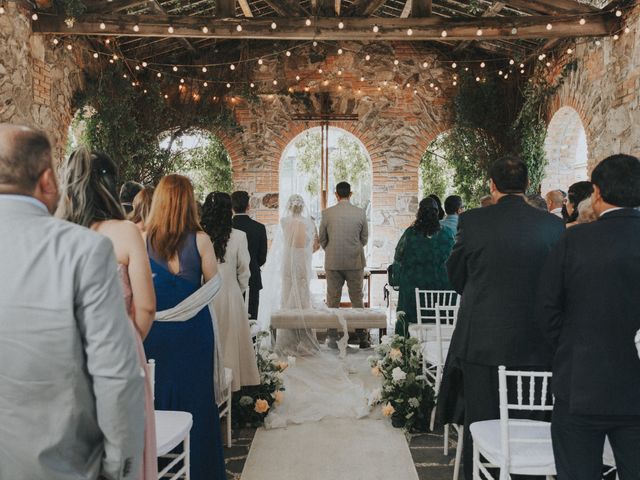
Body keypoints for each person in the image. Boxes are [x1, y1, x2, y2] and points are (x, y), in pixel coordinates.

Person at [0, 124, 144, 480]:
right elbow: (115, 374)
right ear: (48, 180)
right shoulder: (84, 250)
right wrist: (119, 468)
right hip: (61, 464)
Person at [446, 157, 565, 479]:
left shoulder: (472, 222)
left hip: (483, 341)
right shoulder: (554, 226)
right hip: (538, 344)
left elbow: (456, 277)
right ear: (528, 185)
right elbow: (560, 286)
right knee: (532, 421)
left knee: (482, 418)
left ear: (492, 184)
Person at [537, 154, 640, 479]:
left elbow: (546, 310)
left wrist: (570, 347)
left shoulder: (574, 239)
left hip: (581, 382)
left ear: (597, 192)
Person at [57, 147, 157, 479]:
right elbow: (146, 306)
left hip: (64, 353)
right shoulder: (125, 231)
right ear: (110, 185)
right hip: (122, 349)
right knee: (122, 444)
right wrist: (129, 342)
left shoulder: (54, 233)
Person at [143, 175, 227, 480]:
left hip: (154, 331)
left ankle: (159, 465)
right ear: (190, 202)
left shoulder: (142, 239)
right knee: (197, 398)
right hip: (194, 331)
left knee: (156, 394)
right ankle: (201, 469)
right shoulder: (201, 240)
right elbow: (214, 285)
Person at [201, 191, 260, 391]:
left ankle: (207, 387)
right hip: (230, 294)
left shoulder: (200, 236)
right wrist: (237, 289)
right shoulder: (239, 237)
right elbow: (245, 271)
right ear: (228, 211)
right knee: (229, 345)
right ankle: (231, 389)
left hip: (203, 296)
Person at [258, 194, 321, 355]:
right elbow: (315, 245)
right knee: (303, 296)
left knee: (287, 296)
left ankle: (287, 340)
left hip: (287, 260)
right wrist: (306, 253)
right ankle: (305, 340)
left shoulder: (284, 221)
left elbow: (280, 245)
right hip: (302, 261)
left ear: (289, 206)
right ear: (302, 206)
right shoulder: (309, 222)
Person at [392, 197, 455, 336]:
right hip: (441, 296)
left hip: (413, 294)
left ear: (419, 213)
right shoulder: (448, 233)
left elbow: (398, 258)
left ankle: (406, 349)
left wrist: (398, 279)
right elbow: (454, 259)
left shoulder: (410, 234)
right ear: (437, 213)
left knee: (407, 304)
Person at [319, 181, 369, 348]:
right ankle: (362, 336)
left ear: (336, 195)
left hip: (333, 261)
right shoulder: (360, 213)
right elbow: (364, 239)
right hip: (354, 260)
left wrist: (332, 250)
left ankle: (332, 336)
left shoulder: (327, 213)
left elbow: (322, 239)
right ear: (350, 194)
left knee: (333, 299)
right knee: (357, 298)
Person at [231, 190, 268, 320]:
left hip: (230, 277)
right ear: (248, 206)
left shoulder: (226, 227)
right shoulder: (259, 228)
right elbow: (262, 257)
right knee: (252, 318)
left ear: (232, 207)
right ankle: (251, 340)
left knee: (232, 317)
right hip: (253, 275)